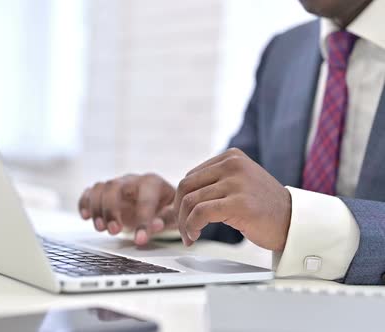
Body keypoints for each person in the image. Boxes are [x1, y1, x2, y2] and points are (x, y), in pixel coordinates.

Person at [77, 0, 385, 285]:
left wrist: (299, 220)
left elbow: (281, 213)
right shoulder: (285, 52)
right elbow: (252, 195)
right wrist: (178, 210)